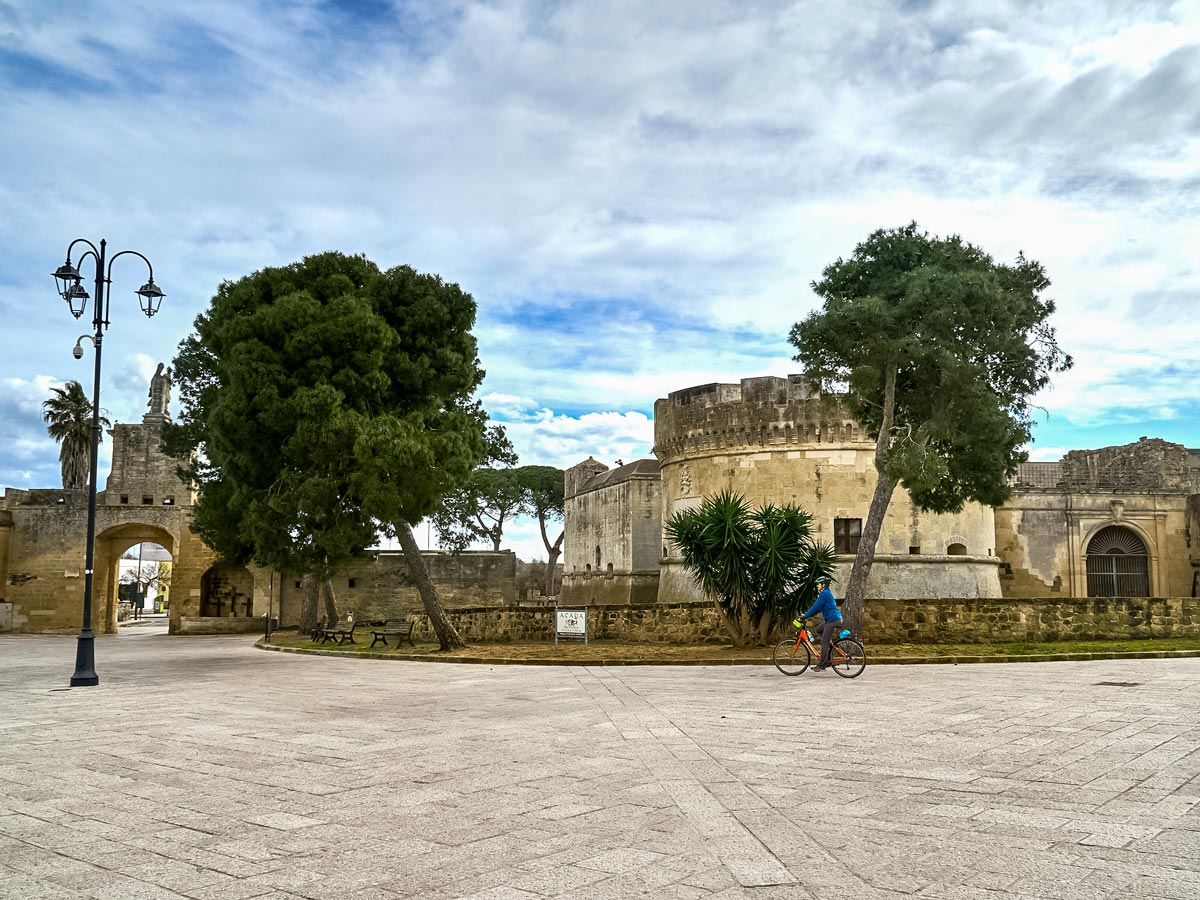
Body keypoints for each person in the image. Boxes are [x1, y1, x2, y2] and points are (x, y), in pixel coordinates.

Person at [799, 575, 842, 672]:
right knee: (819, 629)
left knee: (824, 642)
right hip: (832, 619)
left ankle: (823, 664)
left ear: (823, 585)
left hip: (832, 620)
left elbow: (816, 607)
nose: (817, 586)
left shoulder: (824, 594)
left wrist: (805, 616)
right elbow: (818, 608)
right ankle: (829, 652)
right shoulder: (825, 593)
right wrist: (806, 615)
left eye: (818, 584)